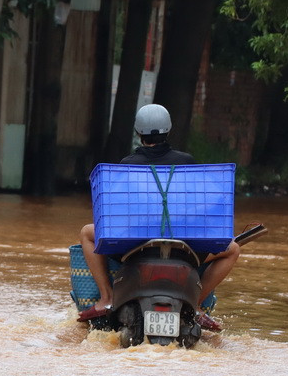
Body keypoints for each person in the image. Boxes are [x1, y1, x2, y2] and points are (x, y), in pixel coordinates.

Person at [77, 103, 237, 329]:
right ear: (168, 130)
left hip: (135, 245)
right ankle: (197, 305)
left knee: (87, 232)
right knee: (233, 249)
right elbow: (204, 206)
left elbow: (118, 211)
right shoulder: (187, 162)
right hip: (185, 246)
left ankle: (106, 298)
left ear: (138, 133)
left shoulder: (128, 165)